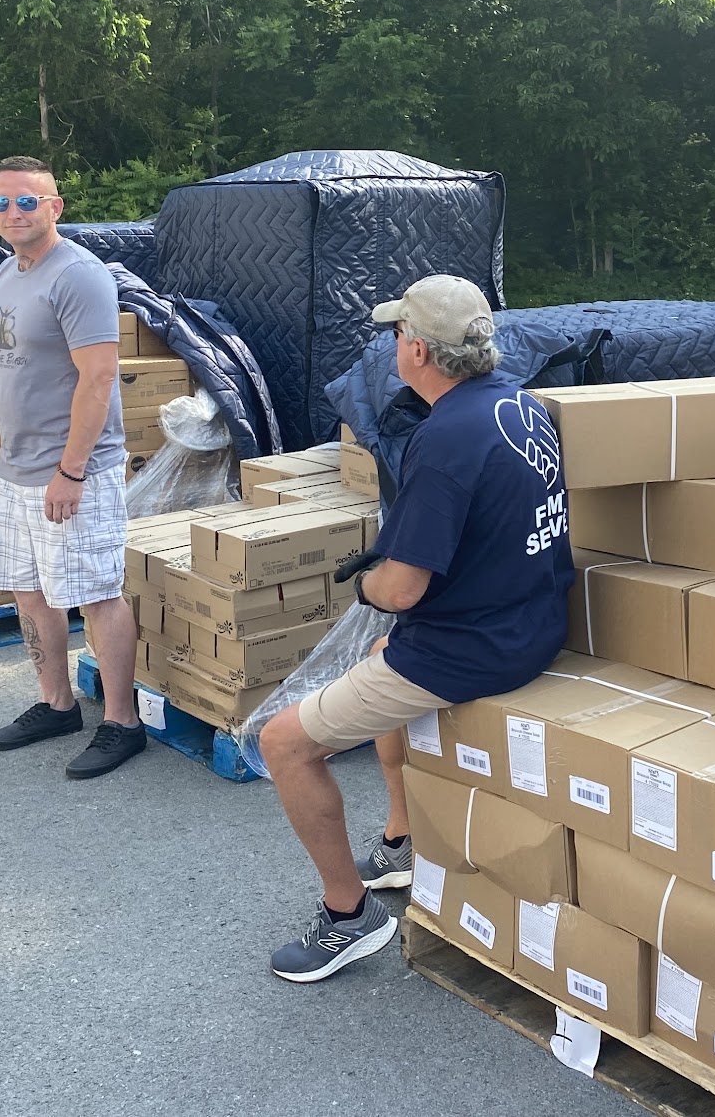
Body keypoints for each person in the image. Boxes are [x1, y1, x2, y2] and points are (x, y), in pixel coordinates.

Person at [258, 275, 575, 983]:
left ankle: (348, 916)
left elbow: (401, 588)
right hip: (534, 621)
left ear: (420, 352)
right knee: (381, 650)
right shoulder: (520, 406)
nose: (394, 345)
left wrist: (365, 580)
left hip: (471, 649)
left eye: (398, 334)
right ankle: (402, 840)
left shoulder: (445, 439)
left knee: (283, 744)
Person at [0, 156, 143, 778]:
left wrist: (71, 470)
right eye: (0, 202)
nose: (12, 212)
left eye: (26, 201)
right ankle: (58, 705)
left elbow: (99, 377)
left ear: (55, 207)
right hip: (17, 468)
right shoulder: (6, 272)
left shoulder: (79, 276)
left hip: (73, 471)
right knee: (28, 588)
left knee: (96, 593)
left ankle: (122, 721)